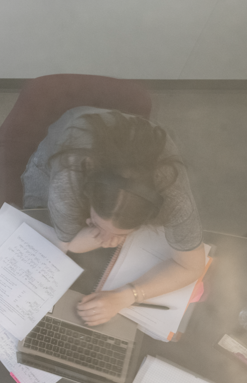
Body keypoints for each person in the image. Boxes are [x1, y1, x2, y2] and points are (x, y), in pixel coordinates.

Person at [22, 106, 206, 327]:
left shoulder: (174, 196)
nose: (108, 239)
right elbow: (67, 244)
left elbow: (193, 267)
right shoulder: (68, 179)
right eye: (99, 224)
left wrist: (127, 295)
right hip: (51, 165)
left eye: (121, 233)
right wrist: (98, 237)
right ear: (88, 195)